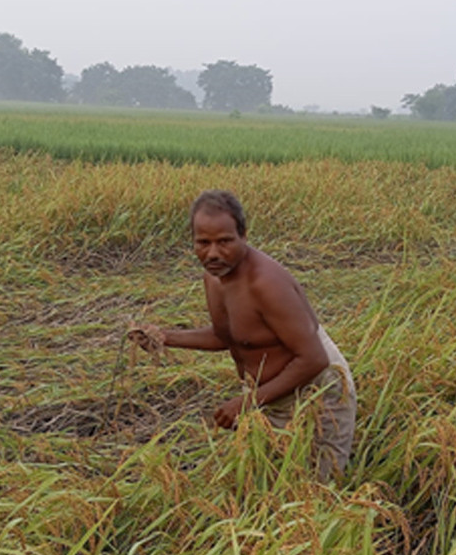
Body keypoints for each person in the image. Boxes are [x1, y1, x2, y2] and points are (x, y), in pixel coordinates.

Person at [129, 190, 356, 480]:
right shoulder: (214, 276)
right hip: (268, 394)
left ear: (243, 236)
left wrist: (246, 403)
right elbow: (228, 337)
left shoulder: (266, 284)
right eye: (203, 243)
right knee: (265, 478)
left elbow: (313, 359)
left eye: (224, 242)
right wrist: (164, 337)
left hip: (316, 392)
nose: (212, 253)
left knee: (315, 489)